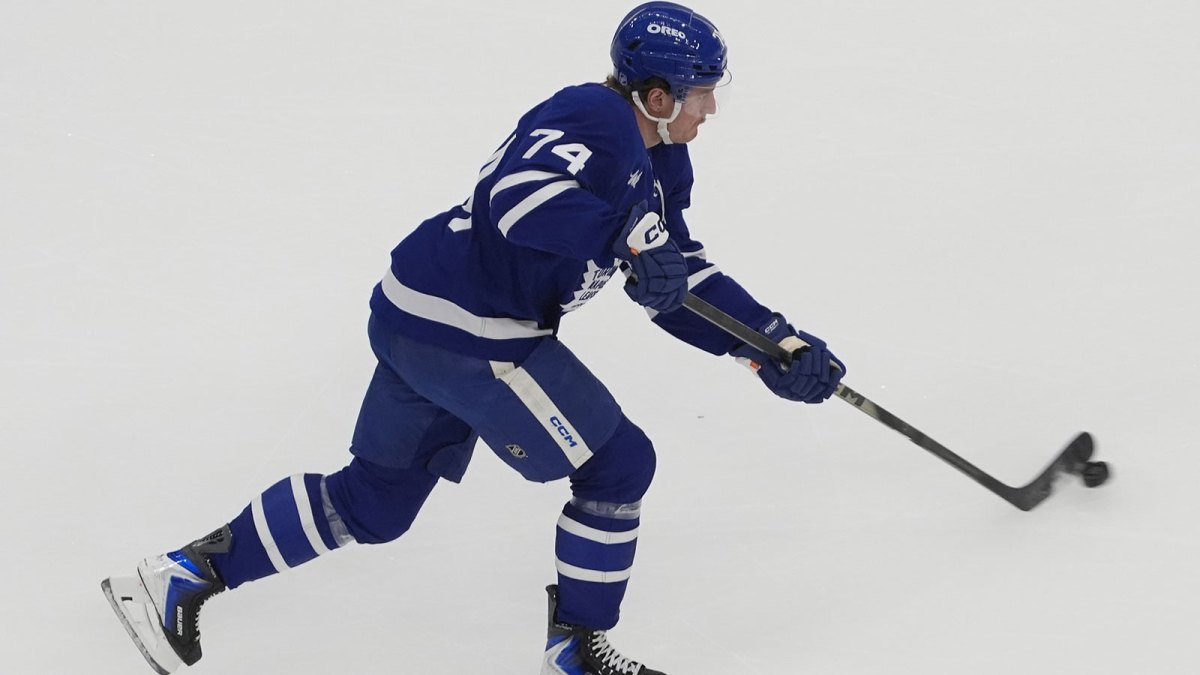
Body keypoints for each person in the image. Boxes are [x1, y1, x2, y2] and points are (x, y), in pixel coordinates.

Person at [100, 3, 846, 675]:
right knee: (620, 465)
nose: (713, 107)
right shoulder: (597, 117)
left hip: (417, 312)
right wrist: (620, 238)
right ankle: (577, 652)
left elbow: (674, 276)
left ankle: (179, 576)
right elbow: (515, 201)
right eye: (703, 90)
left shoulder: (661, 161)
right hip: (474, 331)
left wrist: (771, 345)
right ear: (658, 95)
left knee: (376, 504)